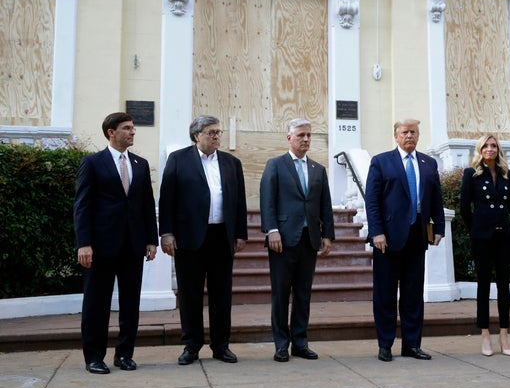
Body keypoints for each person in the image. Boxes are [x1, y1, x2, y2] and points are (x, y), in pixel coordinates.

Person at [158, 115, 248, 365]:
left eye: (218, 132)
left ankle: (221, 345)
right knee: (190, 294)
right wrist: (166, 232)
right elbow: (167, 198)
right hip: (189, 237)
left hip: (221, 236)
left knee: (222, 294)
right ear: (197, 135)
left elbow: (239, 202)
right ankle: (191, 345)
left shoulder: (232, 163)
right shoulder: (179, 159)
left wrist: (240, 233)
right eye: (211, 132)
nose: (217, 136)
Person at [74, 112, 158, 374]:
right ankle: (94, 357)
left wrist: (151, 240)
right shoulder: (93, 163)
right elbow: (82, 206)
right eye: (127, 128)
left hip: (133, 246)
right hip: (100, 247)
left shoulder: (140, 164)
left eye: (133, 128)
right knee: (96, 303)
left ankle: (124, 354)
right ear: (111, 132)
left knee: (130, 303)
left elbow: (146, 205)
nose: (133, 132)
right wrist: (84, 243)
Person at [365, 119, 445, 362]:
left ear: (418, 135)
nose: (409, 136)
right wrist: (376, 232)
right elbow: (372, 200)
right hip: (387, 239)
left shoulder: (428, 163)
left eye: (413, 132)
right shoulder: (381, 162)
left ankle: (412, 345)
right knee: (385, 294)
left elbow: (436, 198)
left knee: (413, 294)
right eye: (405, 132)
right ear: (396, 136)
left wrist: (439, 227)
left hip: (416, 236)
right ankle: (385, 345)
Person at [259, 118, 334, 362]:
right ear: (289, 137)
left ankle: (300, 343)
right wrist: (271, 230)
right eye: (301, 135)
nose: (306, 139)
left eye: (309, 135)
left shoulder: (318, 170)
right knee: (281, 294)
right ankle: (281, 344)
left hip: (308, 240)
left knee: (303, 294)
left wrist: (328, 235)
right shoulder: (275, 165)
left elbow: (325, 205)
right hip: (282, 240)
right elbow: (267, 200)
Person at [460, 135, 510, 357]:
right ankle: (485, 335)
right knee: (483, 286)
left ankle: (504, 335)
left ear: (498, 150)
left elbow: (507, 204)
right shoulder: (471, 174)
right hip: (482, 237)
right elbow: (465, 208)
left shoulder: (505, 173)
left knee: (504, 285)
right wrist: (478, 229)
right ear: (479, 150)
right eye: (486, 146)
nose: (489, 149)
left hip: (504, 236)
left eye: (493, 146)